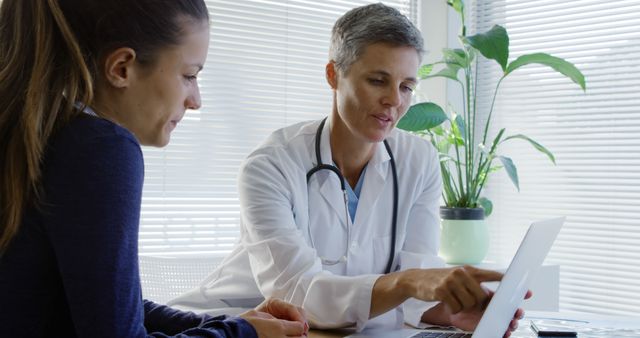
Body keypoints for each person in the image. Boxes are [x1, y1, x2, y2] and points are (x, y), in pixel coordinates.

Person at [170, 3, 528, 336]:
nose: (395, 100)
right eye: (377, 80)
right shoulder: (270, 166)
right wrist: (407, 282)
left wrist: (450, 311)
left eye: (406, 86)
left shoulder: (418, 160)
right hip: (229, 326)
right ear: (333, 75)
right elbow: (298, 297)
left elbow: (418, 284)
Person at [0, 1, 308, 337]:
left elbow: (100, 306)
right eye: (189, 75)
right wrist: (243, 334)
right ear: (121, 67)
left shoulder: (31, 132)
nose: (196, 100)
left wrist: (227, 325)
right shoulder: (99, 148)